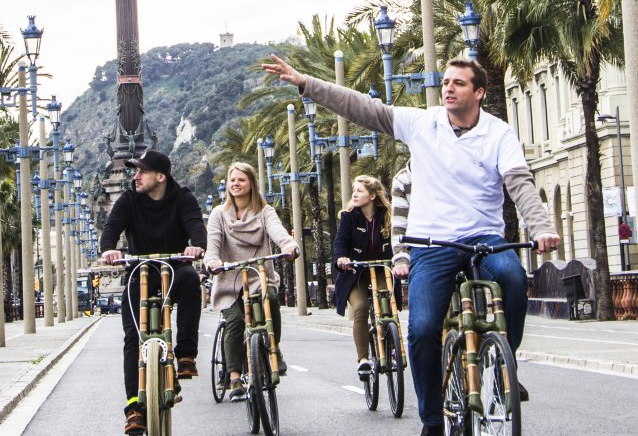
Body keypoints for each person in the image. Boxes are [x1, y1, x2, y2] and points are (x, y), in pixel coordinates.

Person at [263, 54, 561, 436]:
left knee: (514, 278)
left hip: (484, 237)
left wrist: (540, 227)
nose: (449, 88)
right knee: (421, 329)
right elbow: (363, 108)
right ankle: (432, 421)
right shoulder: (424, 123)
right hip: (432, 243)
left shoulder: (498, 133)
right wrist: (306, 82)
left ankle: (504, 364)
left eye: (459, 83)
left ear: (480, 92)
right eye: (447, 82)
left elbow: (520, 184)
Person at [100, 150, 206, 435]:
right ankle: (134, 407)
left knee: (190, 280)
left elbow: (196, 225)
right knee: (132, 338)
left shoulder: (182, 197)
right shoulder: (129, 199)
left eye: (142, 172)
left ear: (160, 177)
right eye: (135, 171)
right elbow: (111, 227)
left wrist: (196, 245)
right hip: (139, 269)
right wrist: (109, 247)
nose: (135, 176)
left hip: (174, 267)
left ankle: (185, 354)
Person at [204, 162, 298, 402]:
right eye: (232, 180)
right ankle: (234, 376)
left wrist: (288, 245)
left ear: (252, 184)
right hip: (229, 279)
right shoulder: (218, 214)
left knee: (271, 300)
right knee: (235, 321)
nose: (236, 184)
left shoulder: (265, 211)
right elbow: (212, 244)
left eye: (241, 180)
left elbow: (277, 231)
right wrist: (213, 260)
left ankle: (273, 348)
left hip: (259, 277)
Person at [333, 175, 398, 379]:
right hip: (356, 273)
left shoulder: (388, 214)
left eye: (359, 190)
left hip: (381, 270)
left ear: (372, 195)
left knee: (387, 303)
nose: (354, 194)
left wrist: (400, 259)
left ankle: (393, 346)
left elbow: (398, 239)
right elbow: (340, 243)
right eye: (354, 190)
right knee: (361, 308)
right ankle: (363, 360)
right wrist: (341, 259)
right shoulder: (348, 216)